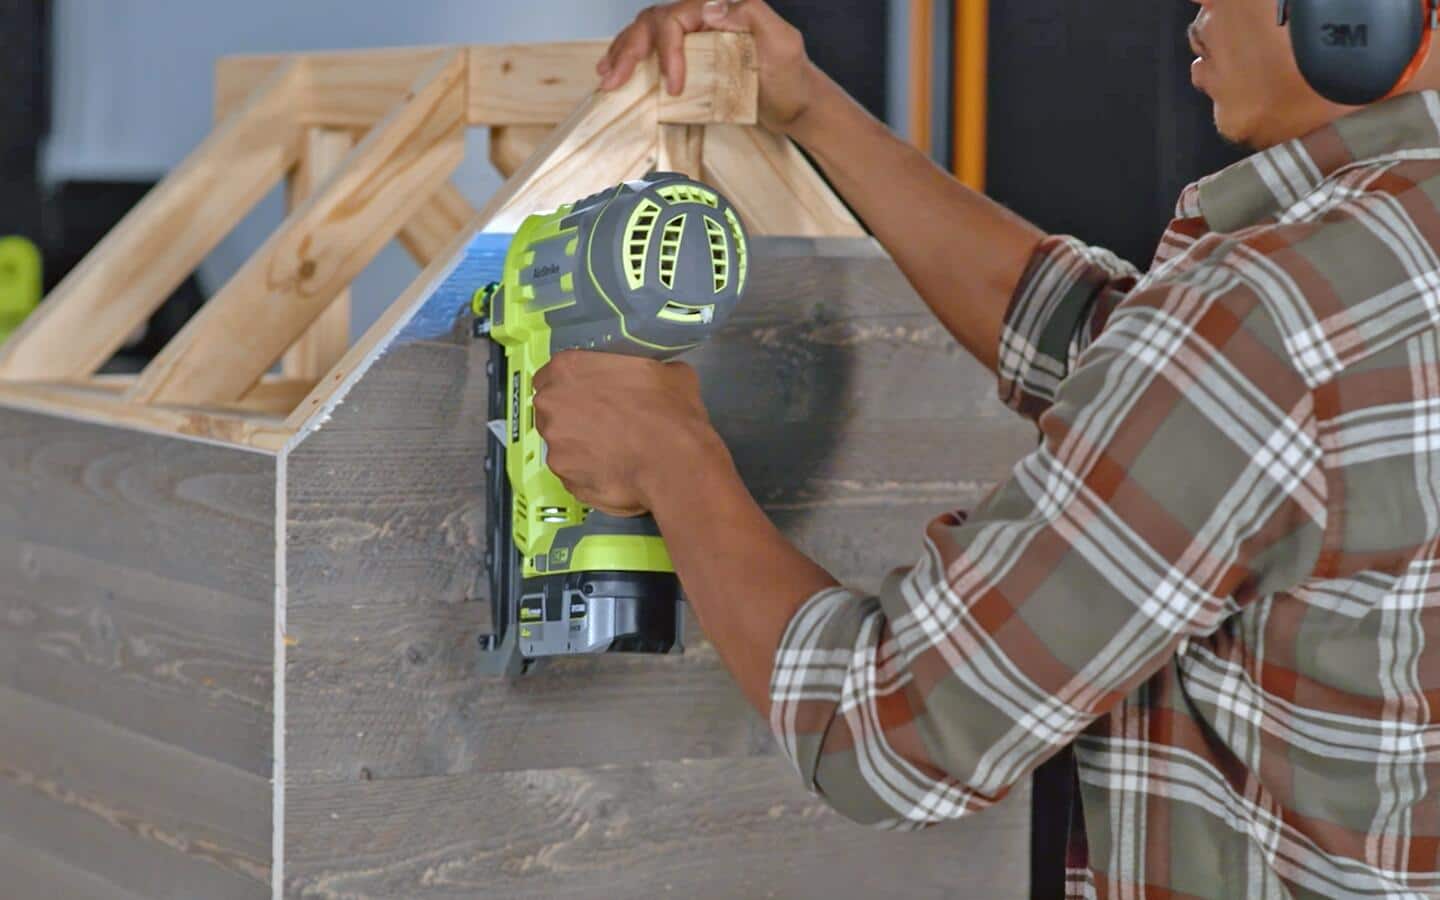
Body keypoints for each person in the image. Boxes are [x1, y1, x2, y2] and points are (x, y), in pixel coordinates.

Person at [531, 0, 1440, 896]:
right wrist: (811, 108)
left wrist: (670, 453)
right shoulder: (1365, 274)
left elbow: (890, 732)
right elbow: (1116, 359)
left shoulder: (1264, 321)